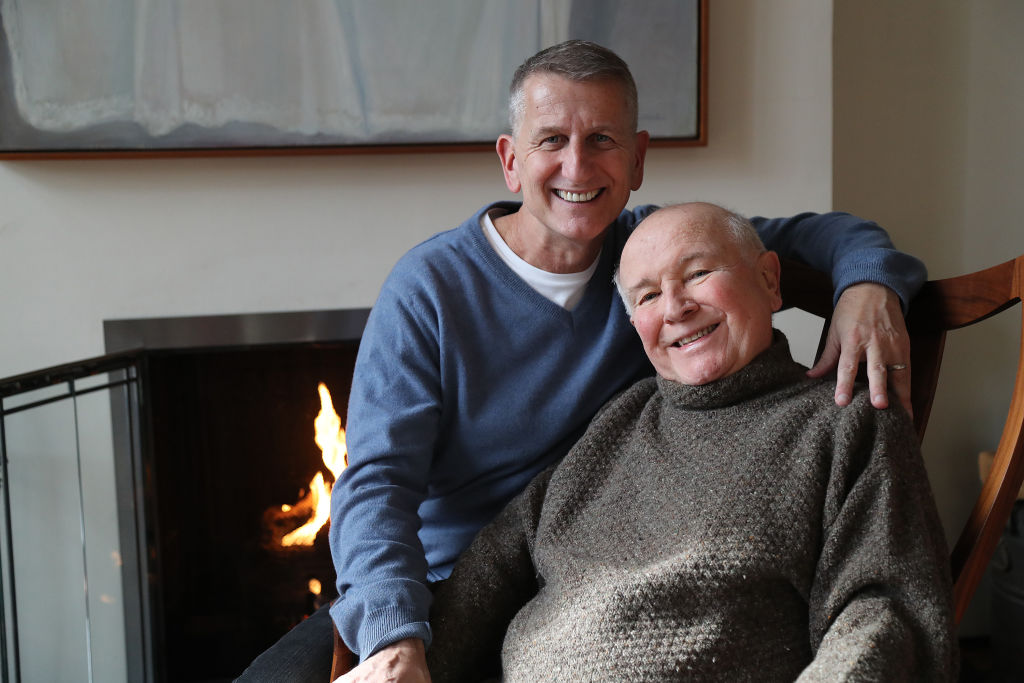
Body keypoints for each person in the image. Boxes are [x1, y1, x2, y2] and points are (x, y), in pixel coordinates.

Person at [237, 40, 926, 683]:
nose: (577, 166)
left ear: (637, 158)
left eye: (601, 140)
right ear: (510, 159)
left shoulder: (654, 251)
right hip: (441, 589)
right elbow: (377, 483)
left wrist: (868, 283)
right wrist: (396, 633)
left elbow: (817, 237)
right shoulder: (430, 289)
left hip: (586, 577)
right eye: (551, 142)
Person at [424, 202, 957, 682]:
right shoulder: (621, 420)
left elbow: (883, 610)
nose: (675, 308)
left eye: (698, 274)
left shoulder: (843, 425)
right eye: (649, 295)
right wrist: (404, 656)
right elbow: (493, 564)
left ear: (771, 281)